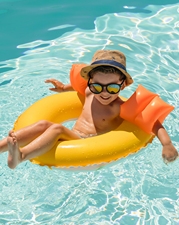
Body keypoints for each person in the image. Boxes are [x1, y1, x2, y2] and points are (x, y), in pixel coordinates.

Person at [0, 50, 178, 169]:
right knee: (43, 124)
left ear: (122, 86)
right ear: (90, 83)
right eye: (98, 87)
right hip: (73, 134)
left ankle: (20, 156)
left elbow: (153, 123)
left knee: (55, 128)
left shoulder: (118, 107)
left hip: (86, 142)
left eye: (112, 88)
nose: (104, 93)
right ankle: (3, 146)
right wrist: (63, 88)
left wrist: (167, 144)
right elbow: (77, 88)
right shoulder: (88, 92)